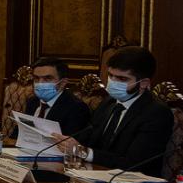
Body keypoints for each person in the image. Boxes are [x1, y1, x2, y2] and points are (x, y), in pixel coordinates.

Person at [56, 45, 174, 175]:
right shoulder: (109, 102)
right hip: (96, 174)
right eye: (111, 76)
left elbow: (134, 163)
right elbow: (88, 138)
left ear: (144, 83)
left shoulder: (156, 113)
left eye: (122, 79)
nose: (113, 82)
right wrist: (66, 143)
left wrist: (83, 152)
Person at [21, 57, 92, 138]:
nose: (40, 83)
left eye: (47, 78)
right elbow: (18, 135)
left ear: (63, 83)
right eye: (36, 78)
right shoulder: (32, 101)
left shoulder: (77, 108)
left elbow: (72, 145)